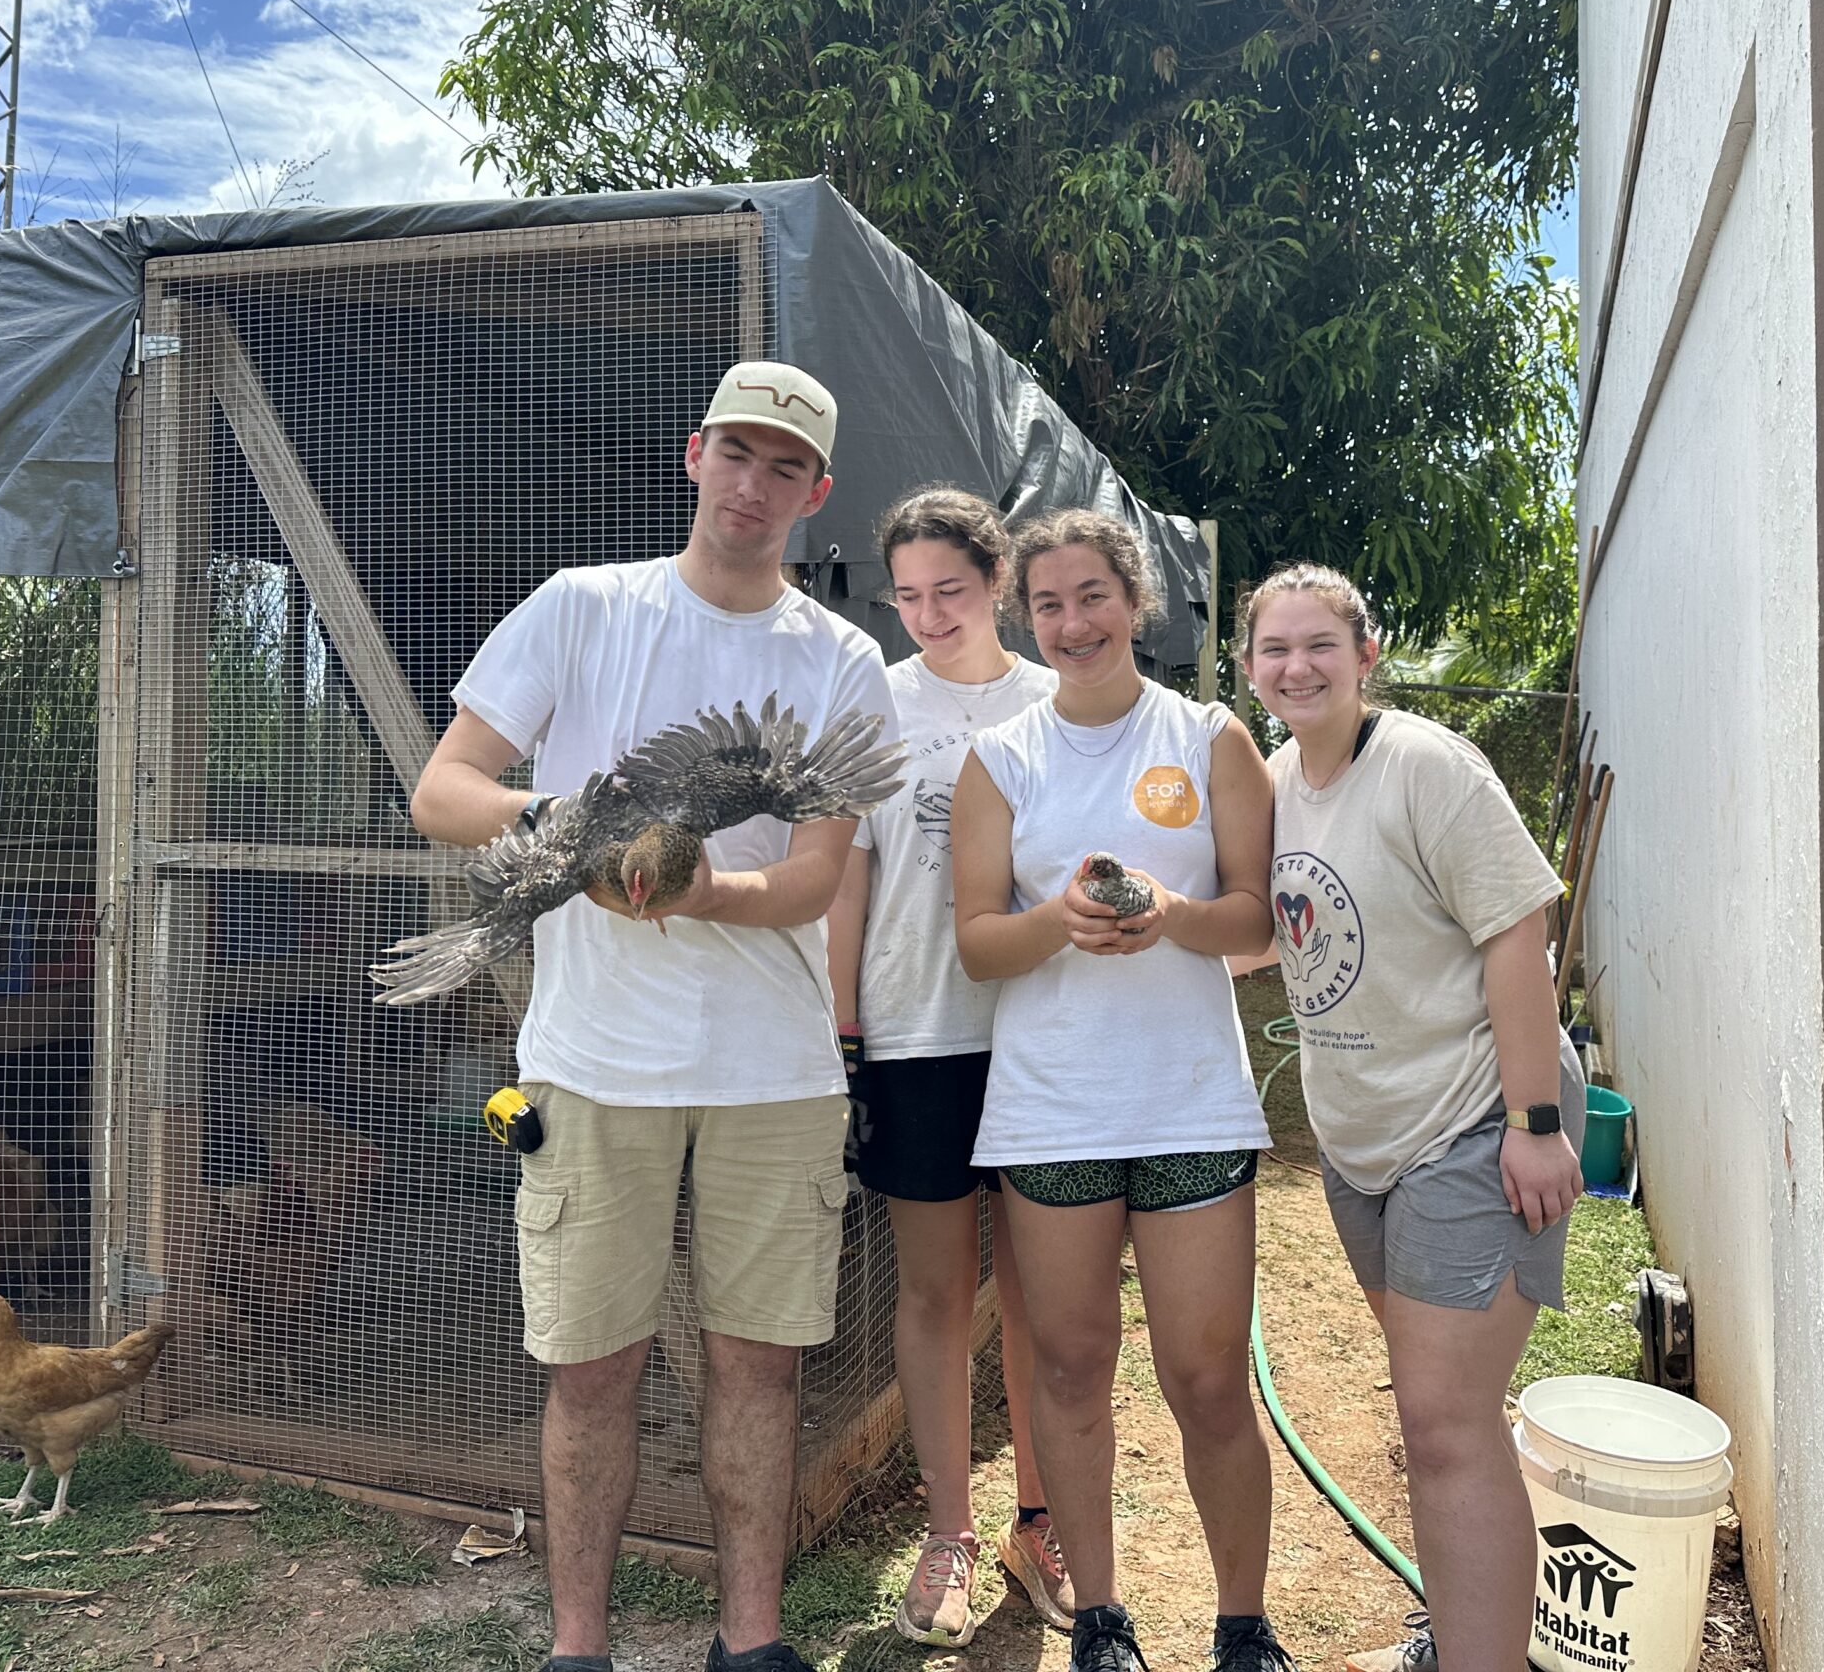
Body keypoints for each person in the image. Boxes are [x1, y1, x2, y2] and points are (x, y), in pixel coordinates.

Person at [406, 362, 901, 1672]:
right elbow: (444, 790)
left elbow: (816, 877)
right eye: (737, 453)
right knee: (590, 1370)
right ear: (694, 456)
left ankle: (751, 1640)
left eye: (785, 467)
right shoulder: (582, 609)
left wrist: (700, 888)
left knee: (761, 1369)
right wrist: (576, 830)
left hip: (773, 1070)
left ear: (815, 493)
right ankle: (580, 1647)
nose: (754, 484)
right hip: (591, 1065)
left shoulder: (844, 660)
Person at [951, 511, 1290, 1672]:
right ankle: (1100, 1616)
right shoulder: (1001, 758)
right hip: (1053, 1112)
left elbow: (1253, 917)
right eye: (1047, 604)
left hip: (1190, 1102)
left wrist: (1172, 915)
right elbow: (976, 945)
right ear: (1025, 619)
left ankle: (1242, 1624)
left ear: (1134, 602)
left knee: (1208, 1378)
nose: (1072, 622)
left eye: (1092, 595)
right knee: (1068, 1365)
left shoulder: (1208, 737)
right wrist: (1057, 921)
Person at [1239, 564, 1587, 1672]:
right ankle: (1461, 1633)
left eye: (1319, 645)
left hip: (1472, 1120)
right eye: (1274, 648)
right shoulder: (1272, 782)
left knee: (1443, 1426)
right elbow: (1263, 935)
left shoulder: (1425, 767)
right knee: (1441, 1423)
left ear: (1366, 655)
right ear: (1247, 667)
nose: (1297, 666)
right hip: (1363, 1144)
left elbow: (1517, 933)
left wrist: (1534, 1120)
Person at [823, 487, 1069, 1644]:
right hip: (915, 1034)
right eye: (909, 596)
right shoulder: (872, 703)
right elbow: (847, 879)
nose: (928, 614)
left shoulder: (1054, 702)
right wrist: (844, 1034)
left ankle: (1040, 1521)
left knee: (1039, 1297)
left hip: (1037, 1037)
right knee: (932, 1296)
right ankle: (947, 1534)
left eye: (951, 591)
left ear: (998, 583)